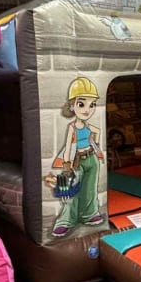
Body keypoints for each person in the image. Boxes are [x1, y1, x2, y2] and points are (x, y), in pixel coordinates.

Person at [44, 77, 105, 237]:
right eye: (81, 104)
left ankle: (89, 214)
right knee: (72, 190)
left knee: (90, 188)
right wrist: (66, 165)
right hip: (76, 160)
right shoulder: (72, 127)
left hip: (91, 158)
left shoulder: (88, 126)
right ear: (72, 105)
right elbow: (69, 147)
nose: (87, 109)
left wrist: (96, 145)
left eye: (92, 104)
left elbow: (97, 133)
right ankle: (65, 221)